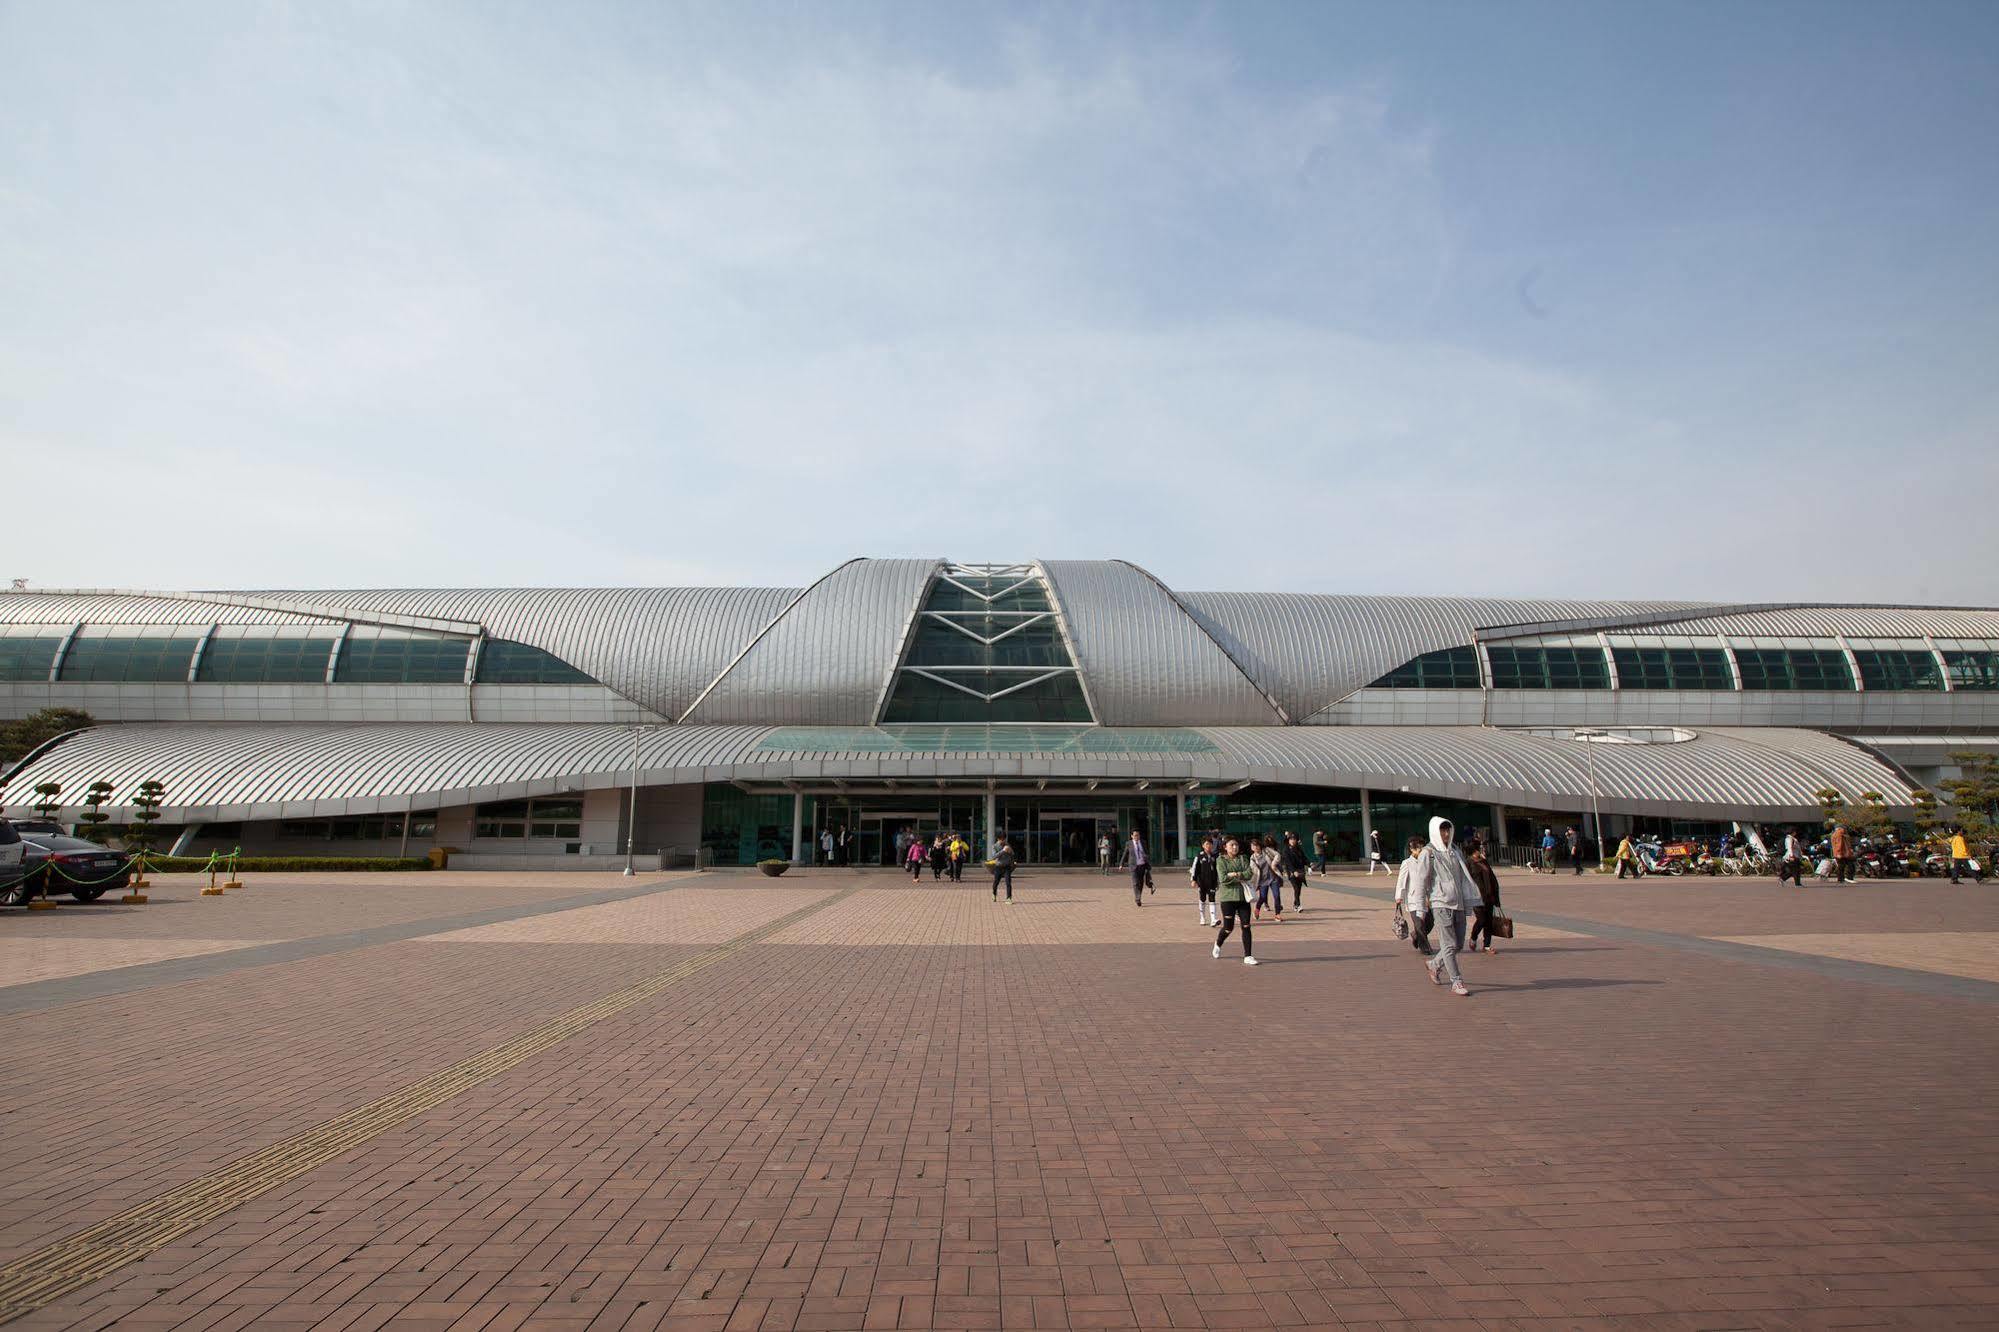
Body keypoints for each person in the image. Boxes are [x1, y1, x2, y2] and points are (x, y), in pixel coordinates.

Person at [1414, 817, 1479, 996]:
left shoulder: (1455, 850)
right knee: (1449, 944)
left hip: (1458, 903)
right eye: (1442, 830)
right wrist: (1420, 907)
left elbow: (1464, 877)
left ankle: (1434, 964)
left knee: (1457, 945)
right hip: (1440, 903)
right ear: (1435, 831)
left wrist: (1471, 899)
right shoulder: (1429, 853)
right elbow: (1420, 881)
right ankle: (1456, 981)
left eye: (1448, 830)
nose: (1446, 834)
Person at [1211, 835, 1258, 964]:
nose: (1235, 847)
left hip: (1243, 897)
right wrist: (1237, 876)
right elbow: (1223, 879)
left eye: (1236, 845)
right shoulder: (1221, 860)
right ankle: (1218, 943)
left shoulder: (1243, 858)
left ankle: (1248, 956)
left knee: (1246, 926)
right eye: (1231, 845)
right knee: (1228, 928)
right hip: (1228, 899)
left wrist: (1235, 874)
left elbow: (1249, 874)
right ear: (1225, 847)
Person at [1393, 835, 1431, 953]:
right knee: (1419, 923)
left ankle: (1415, 935)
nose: (1419, 850)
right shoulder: (1407, 863)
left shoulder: (1427, 861)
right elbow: (1401, 880)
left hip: (1427, 898)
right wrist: (1399, 896)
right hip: (1413, 898)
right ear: (1411, 849)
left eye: (1421, 847)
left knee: (1430, 922)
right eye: (1416, 848)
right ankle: (1425, 948)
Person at [1466, 843, 1503, 954]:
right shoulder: (1468, 863)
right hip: (1477, 897)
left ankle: (1487, 945)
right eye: (1480, 849)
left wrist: (1496, 897)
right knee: (1481, 920)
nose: (1482, 851)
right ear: (1474, 850)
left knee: (1488, 922)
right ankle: (1473, 937)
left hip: (1489, 896)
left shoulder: (1484, 861)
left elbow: (1492, 879)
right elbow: (1466, 881)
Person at [1249, 837, 1284, 923]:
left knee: (1277, 896)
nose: (1255, 847)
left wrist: (1274, 863)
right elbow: (1252, 871)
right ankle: (1257, 909)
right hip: (1262, 881)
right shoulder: (1252, 858)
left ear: (1260, 846)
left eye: (1256, 845)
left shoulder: (1267, 850)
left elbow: (1277, 855)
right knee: (1263, 897)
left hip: (1273, 878)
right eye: (1253, 846)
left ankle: (1277, 914)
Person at [1189, 836, 1219, 926]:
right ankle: (1202, 917)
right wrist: (1193, 880)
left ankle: (1213, 919)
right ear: (1203, 845)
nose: (1209, 846)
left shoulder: (1215, 856)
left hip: (1212, 882)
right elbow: (1195, 869)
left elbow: (1217, 870)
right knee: (1202, 899)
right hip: (1202, 882)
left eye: (1210, 844)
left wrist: (1218, 881)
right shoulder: (1199, 856)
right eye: (1207, 844)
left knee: (1212, 899)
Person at [1280, 832, 1310, 912]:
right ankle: (1298, 905)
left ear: (1297, 840)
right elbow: (1288, 862)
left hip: (1300, 871)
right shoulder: (1286, 850)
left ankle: (1295, 904)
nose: (1292, 841)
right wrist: (1293, 871)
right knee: (1296, 888)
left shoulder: (1299, 848)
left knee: (1299, 889)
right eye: (1291, 839)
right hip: (1291, 872)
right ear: (1288, 840)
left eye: (1294, 839)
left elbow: (1304, 858)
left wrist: (1309, 864)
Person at [1121, 830, 1153, 905]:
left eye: (1138, 835)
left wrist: (1146, 858)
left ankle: (1139, 896)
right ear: (1132, 836)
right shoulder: (1129, 843)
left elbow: (1147, 852)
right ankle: (1137, 898)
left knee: (1141, 883)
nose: (1137, 837)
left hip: (1142, 865)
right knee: (1135, 882)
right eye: (1135, 835)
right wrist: (1121, 864)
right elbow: (1125, 854)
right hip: (1133, 866)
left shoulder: (1143, 842)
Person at [990, 837, 1017, 902]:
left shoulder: (1008, 845)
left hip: (1007, 867)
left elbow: (1012, 854)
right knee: (996, 882)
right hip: (998, 866)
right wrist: (1003, 851)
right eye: (1001, 839)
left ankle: (1009, 898)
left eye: (1004, 839)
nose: (1003, 841)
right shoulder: (995, 846)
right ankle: (994, 894)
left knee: (1008, 882)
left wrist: (1010, 852)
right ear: (998, 839)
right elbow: (994, 856)